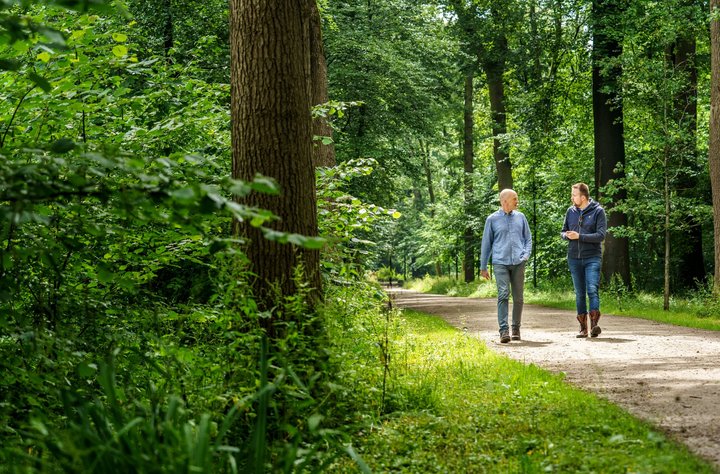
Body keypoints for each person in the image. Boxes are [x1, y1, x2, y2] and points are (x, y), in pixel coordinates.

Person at [480, 189, 532, 343]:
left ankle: (516, 328)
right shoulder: (492, 219)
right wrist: (483, 266)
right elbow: (486, 244)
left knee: (519, 298)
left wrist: (525, 255)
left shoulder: (521, 217)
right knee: (503, 294)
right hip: (500, 262)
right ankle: (504, 331)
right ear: (505, 201)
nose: (517, 201)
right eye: (515, 199)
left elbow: (528, 238)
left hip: (518, 262)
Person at [561, 182, 607, 338]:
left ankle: (594, 325)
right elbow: (563, 231)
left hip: (592, 257)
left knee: (592, 289)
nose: (572, 197)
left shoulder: (598, 212)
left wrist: (580, 236)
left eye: (574, 195)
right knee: (579, 293)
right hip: (574, 258)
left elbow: (601, 236)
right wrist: (566, 235)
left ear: (583, 196)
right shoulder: (570, 211)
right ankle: (582, 328)